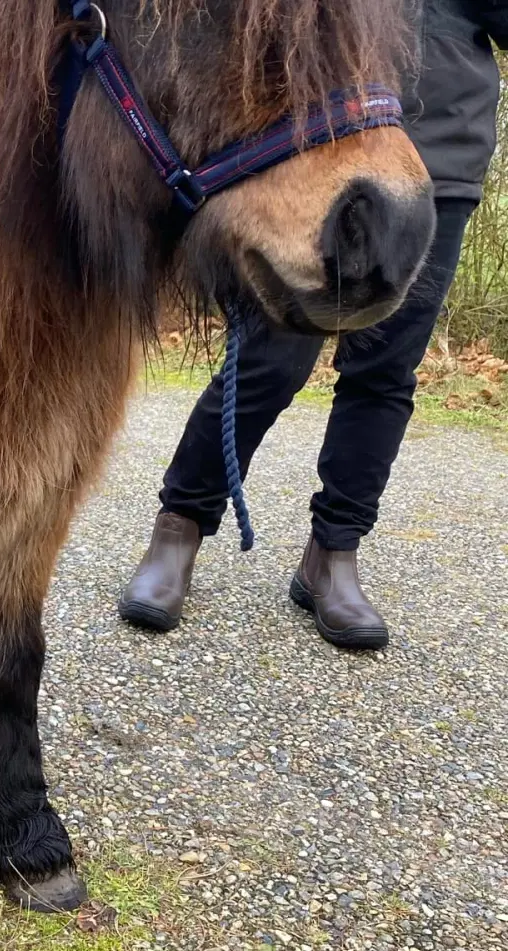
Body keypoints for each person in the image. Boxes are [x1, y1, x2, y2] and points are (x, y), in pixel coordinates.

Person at [118, 0, 506, 651]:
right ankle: (179, 527)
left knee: (384, 372)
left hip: (434, 161)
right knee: (269, 359)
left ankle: (334, 553)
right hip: (309, 142)